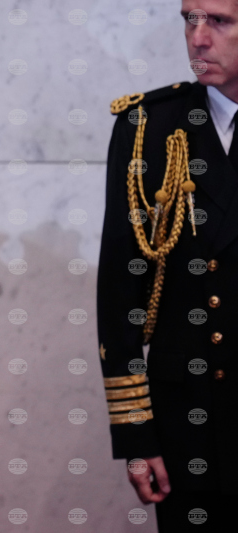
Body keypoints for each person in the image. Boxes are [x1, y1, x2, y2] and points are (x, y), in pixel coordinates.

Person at [97, 1, 238, 530]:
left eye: (219, 20)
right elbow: (120, 295)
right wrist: (136, 434)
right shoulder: (148, 128)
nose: (198, 38)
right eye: (188, 18)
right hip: (189, 426)